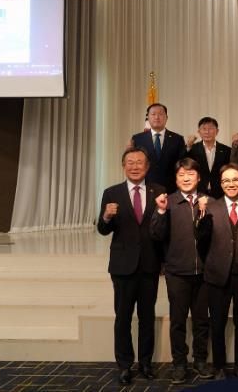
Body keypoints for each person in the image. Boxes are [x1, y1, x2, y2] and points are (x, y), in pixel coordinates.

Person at [97, 148, 164, 385]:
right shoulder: (111, 192)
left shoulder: (159, 191)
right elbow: (103, 230)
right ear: (123, 166)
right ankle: (124, 365)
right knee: (123, 318)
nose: (135, 166)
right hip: (123, 266)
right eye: (130, 162)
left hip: (149, 265)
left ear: (147, 166)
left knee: (147, 317)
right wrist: (106, 216)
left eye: (139, 162)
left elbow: (163, 229)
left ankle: (145, 363)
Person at [195, 164, 238, 379]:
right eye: (226, 180)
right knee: (218, 323)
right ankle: (219, 367)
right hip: (217, 275)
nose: (231, 184)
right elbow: (201, 240)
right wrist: (201, 215)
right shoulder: (210, 207)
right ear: (220, 183)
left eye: (235, 180)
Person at [150, 158, 213, 384]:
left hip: (204, 272)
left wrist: (205, 211)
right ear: (176, 179)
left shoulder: (209, 202)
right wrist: (160, 210)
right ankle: (179, 363)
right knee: (178, 321)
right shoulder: (168, 202)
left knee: (201, 320)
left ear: (199, 177)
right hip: (177, 272)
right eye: (181, 175)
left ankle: (200, 360)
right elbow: (156, 235)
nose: (186, 178)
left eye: (191, 174)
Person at [132, 103, 185, 193]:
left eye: (160, 114)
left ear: (166, 118)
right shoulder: (138, 139)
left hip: (171, 189)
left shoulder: (177, 139)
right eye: (153, 114)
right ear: (148, 118)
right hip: (145, 188)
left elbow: (181, 165)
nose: (157, 117)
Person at [186, 117, 231, 199]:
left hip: (220, 192)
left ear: (217, 131)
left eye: (211, 128)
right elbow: (183, 164)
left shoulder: (226, 150)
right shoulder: (193, 149)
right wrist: (188, 146)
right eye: (204, 129)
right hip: (198, 191)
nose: (207, 132)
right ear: (199, 132)